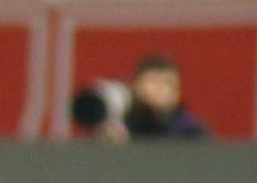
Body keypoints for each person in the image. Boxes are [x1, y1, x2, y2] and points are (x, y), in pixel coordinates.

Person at [72, 54, 207, 141]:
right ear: (136, 86)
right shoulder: (122, 126)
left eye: (167, 83)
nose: (159, 89)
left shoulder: (192, 131)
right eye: (152, 82)